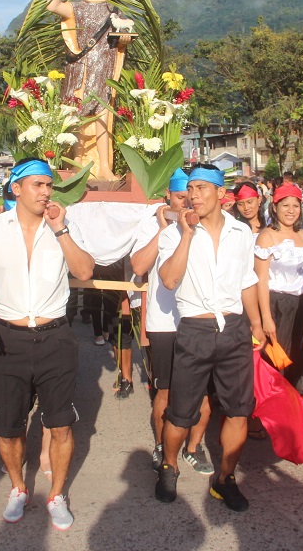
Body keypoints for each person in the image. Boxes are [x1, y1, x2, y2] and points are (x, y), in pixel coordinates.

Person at [0, 158, 94, 531]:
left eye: (49, 185)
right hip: (8, 339)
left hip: (55, 338)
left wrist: (60, 229)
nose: (46, 192)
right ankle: (17, 487)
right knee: (8, 427)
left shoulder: (64, 225)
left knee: (61, 424)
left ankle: (57, 494)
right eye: (37, 185)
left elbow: (84, 271)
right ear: (16, 189)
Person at [155, 165, 265, 512]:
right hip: (195, 330)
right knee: (181, 412)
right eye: (190, 188)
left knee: (237, 411)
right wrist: (187, 235)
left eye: (202, 188)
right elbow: (169, 281)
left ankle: (224, 479)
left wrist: (257, 324)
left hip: (234, 329)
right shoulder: (174, 233)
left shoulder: (241, 232)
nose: (194, 195)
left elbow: (248, 281)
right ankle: (169, 467)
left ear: (221, 193)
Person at [131, 168, 215, 475]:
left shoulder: (204, 225)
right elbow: (139, 266)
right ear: (168, 196)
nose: (188, 202)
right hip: (165, 322)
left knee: (202, 392)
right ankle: (161, 445)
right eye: (181, 196)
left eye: (192, 195)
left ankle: (194, 447)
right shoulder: (153, 226)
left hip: (198, 319)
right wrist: (164, 227)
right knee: (165, 392)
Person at [46, 0, 132, 180]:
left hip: (105, 67)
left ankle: (104, 166)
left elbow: (124, 35)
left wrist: (124, 38)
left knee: (104, 115)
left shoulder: (113, 11)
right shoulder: (76, 7)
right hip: (80, 68)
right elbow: (53, 5)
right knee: (80, 115)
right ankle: (76, 164)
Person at [255, 183, 303, 387]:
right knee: (275, 360)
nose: (291, 211)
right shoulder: (267, 236)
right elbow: (261, 280)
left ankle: (296, 409)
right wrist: (266, 318)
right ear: (274, 207)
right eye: (285, 205)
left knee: (302, 360)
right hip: (276, 306)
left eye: (296, 205)